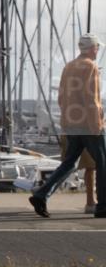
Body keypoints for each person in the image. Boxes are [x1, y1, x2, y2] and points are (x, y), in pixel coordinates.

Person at [29, 33, 105, 219]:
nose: (98, 51)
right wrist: (97, 124)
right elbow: (91, 98)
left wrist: (66, 119)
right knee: (103, 164)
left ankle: (41, 194)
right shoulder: (90, 66)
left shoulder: (69, 66)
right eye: (97, 47)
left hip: (71, 123)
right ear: (91, 48)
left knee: (68, 163)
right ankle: (103, 206)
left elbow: (61, 97)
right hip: (89, 124)